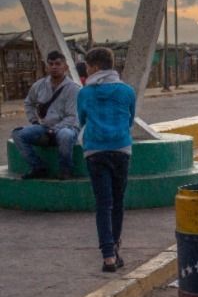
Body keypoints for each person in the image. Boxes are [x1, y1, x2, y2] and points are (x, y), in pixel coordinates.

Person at [77, 47, 136, 273]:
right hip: (121, 148)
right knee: (118, 202)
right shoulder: (127, 91)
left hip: (95, 151)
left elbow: (81, 120)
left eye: (88, 66)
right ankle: (116, 246)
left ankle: (108, 256)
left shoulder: (84, 93)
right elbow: (130, 119)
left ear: (95, 66)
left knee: (103, 203)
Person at [12, 50, 81, 180]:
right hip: (44, 127)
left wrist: (53, 130)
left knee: (65, 135)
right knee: (18, 133)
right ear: (46, 67)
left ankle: (66, 170)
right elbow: (28, 103)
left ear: (65, 67)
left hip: (67, 128)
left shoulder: (73, 88)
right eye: (51, 64)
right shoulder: (39, 85)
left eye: (58, 64)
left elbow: (72, 117)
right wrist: (34, 121)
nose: (54, 67)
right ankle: (38, 167)